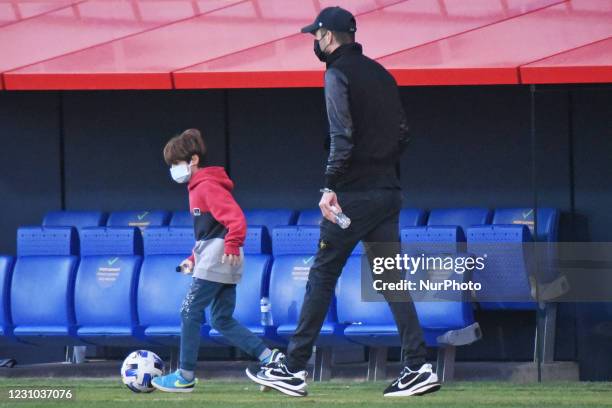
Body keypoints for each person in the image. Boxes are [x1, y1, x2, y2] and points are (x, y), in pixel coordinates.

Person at [246, 7, 440, 398]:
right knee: (389, 279)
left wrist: (330, 186)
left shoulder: (336, 74)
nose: (315, 43)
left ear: (329, 36)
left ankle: (294, 368)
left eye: (316, 36)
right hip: (388, 192)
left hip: (352, 194)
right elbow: (403, 134)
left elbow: (342, 136)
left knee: (322, 274)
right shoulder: (382, 74)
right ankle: (418, 366)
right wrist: (379, 165)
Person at [152, 128, 282, 392]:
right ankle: (272, 360)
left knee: (189, 311)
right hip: (216, 257)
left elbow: (236, 220)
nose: (174, 169)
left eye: (177, 163)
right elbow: (209, 232)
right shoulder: (198, 188)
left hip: (219, 257)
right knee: (221, 319)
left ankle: (184, 376)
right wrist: (192, 258)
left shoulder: (207, 186)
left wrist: (232, 244)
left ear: (194, 160)